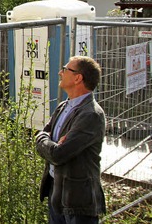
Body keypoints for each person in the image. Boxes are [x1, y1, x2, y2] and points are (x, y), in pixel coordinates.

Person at [36, 56, 106, 224]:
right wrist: (46, 140)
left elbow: (59, 154)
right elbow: (42, 135)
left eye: (65, 69)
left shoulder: (91, 115)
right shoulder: (63, 106)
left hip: (78, 200)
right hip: (57, 190)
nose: (60, 72)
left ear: (78, 78)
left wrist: (46, 142)